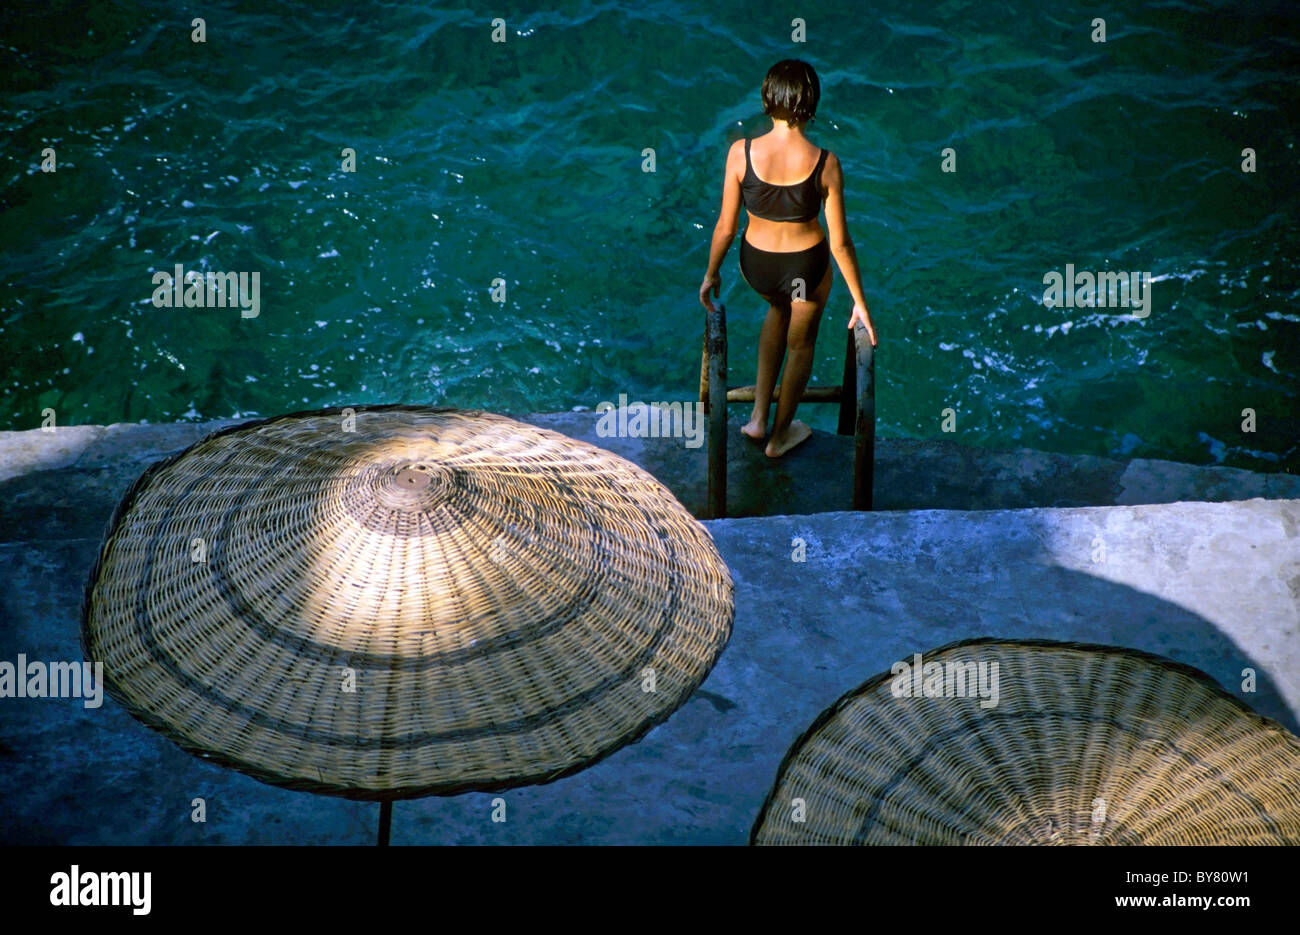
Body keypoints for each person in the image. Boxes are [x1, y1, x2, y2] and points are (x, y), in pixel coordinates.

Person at [699, 59, 877, 458]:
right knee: (801, 344)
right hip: (805, 269)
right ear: (811, 101)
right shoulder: (825, 162)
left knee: (777, 310)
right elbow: (841, 243)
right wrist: (860, 303)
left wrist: (711, 274)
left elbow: (726, 227)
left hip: (757, 267)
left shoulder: (740, 153)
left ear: (767, 98)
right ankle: (780, 438)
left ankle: (758, 420)